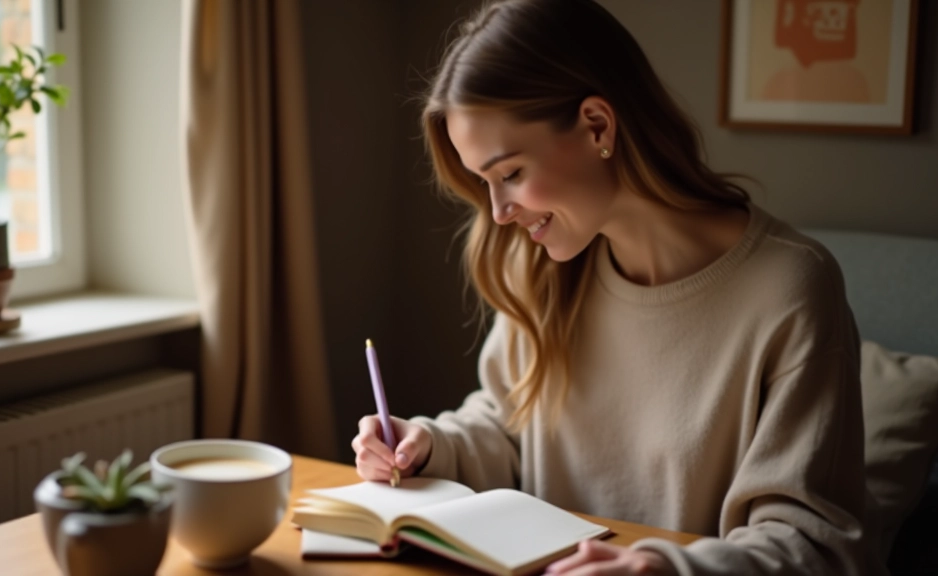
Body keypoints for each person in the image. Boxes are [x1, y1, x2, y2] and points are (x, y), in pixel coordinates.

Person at [351, 1, 879, 574]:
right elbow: (509, 426)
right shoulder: (542, 268)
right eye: (486, 182)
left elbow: (813, 544)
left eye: (511, 174)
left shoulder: (791, 289)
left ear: (597, 125)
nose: (499, 213)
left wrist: (665, 568)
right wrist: (430, 444)